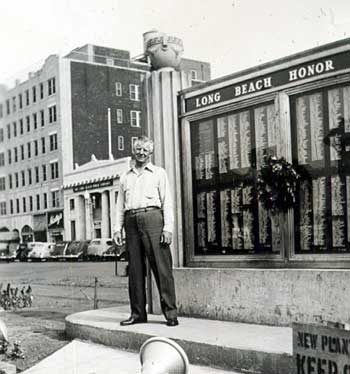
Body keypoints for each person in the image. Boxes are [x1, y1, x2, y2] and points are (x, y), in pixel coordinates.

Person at [113, 136, 178, 327]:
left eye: (145, 150)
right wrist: (117, 229)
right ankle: (138, 314)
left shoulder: (159, 173)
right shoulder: (125, 177)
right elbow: (119, 206)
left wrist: (168, 228)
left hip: (153, 219)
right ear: (134, 150)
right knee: (135, 270)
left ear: (151, 153)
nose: (141, 153)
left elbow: (168, 202)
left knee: (162, 268)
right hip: (131, 221)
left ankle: (171, 314)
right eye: (138, 149)